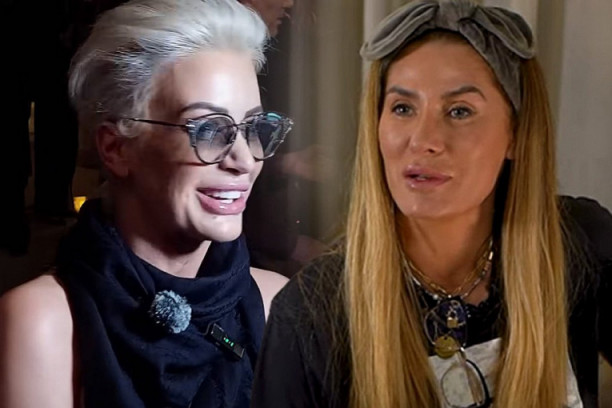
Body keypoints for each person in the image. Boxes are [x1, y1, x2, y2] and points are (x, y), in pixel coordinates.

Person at [251, 1, 612, 407]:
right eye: (403, 108)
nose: (423, 140)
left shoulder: (581, 243)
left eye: (459, 111)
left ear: (516, 133)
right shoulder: (311, 313)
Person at [0, 0, 292, 407]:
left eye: (253, 128)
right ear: (116, 148)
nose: (245, 160)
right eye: (209, 130)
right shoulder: (43, 323)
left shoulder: (277, 303)